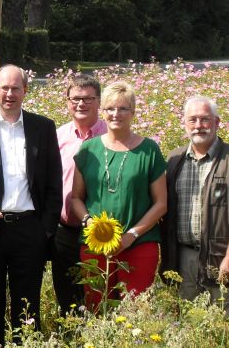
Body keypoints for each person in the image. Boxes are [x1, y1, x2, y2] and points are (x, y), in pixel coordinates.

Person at [0, 65, 62, 347]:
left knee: (28, 311)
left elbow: (55, 183)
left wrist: (45, 230)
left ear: (25, 91)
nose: (9, 93)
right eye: (4, 87)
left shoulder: (43, 127)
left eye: (15, 88)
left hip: (30, 231)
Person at [69, 81, 167, 310]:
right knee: (96, 308)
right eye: (110, 108)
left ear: (133, 111)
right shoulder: (88, 150)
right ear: (102, 111)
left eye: (123, 108)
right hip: (95, 244)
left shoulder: (149, 150)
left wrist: (131, 235)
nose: (116, 114)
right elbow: (76, 198)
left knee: (135, 311)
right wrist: (90, 223)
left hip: (139, 245)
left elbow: (161, 203)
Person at [160, 96, 229, 328]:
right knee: (188, 323)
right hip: (183, 257)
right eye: (192, 120)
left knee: (225, 324)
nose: (198, 125)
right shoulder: (174, 159)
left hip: (221, 255)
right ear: (184, 123)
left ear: (217, 122)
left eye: (205, 119)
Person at [52, 74, 106, 315]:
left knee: (100, 293)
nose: (81, 104)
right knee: (67, 297)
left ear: (99, 101)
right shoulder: (57, 136)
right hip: (64, 229)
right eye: (75, 99)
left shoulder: (111, 135)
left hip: (101, 230)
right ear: (67, 101)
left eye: (88, 99)